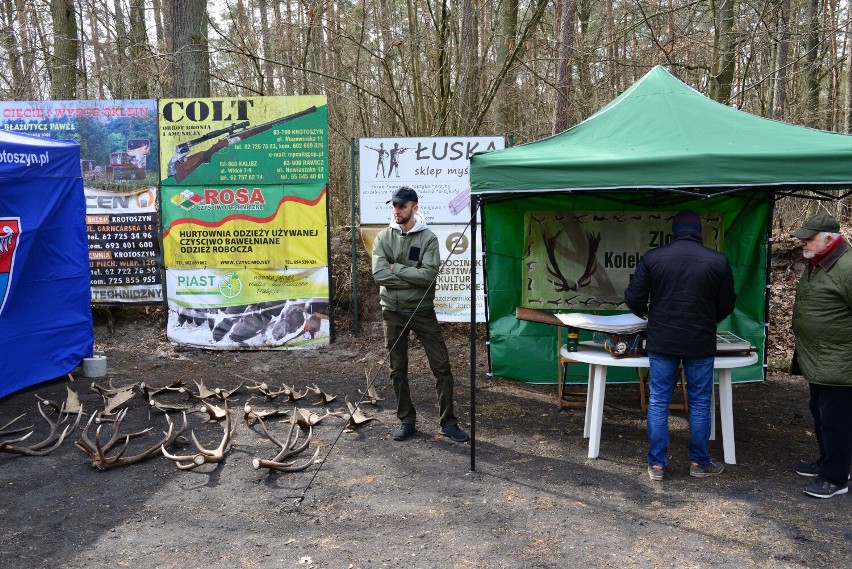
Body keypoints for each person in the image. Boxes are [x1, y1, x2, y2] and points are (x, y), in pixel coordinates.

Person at [624, 210, 736, 481]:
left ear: (674, 231)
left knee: (659, 400)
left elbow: (634, 296)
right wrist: (709, 319)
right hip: (700, 339)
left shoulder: (654, 258)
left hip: (662, 339)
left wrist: (646, 314)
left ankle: (657, 466)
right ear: (699, 232)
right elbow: (727, 302)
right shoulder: (717, 261)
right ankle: (699, 463)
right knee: (699, 403)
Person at [371, 186, 469, 443]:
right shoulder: (383, 238)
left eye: (402, 206)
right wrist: (408, 277)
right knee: (397, 368)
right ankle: (406, 420)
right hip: (392, 311)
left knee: (442, 367)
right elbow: (379, 275)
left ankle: (448, 423)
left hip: (422, 311)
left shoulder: (428, 239)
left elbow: (428, 277)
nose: (397, 211)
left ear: (415, 208)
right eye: (394, 205)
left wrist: (396, 269)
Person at [789, 212, 852, 499]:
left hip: (840, 361)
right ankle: (829, 462)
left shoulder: (847, 267)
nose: (803, 242)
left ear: (829, 238)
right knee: (820, 412)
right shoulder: (819, 262)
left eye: (809, 238)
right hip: (820, 358)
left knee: (836, 420)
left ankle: (836, 478)